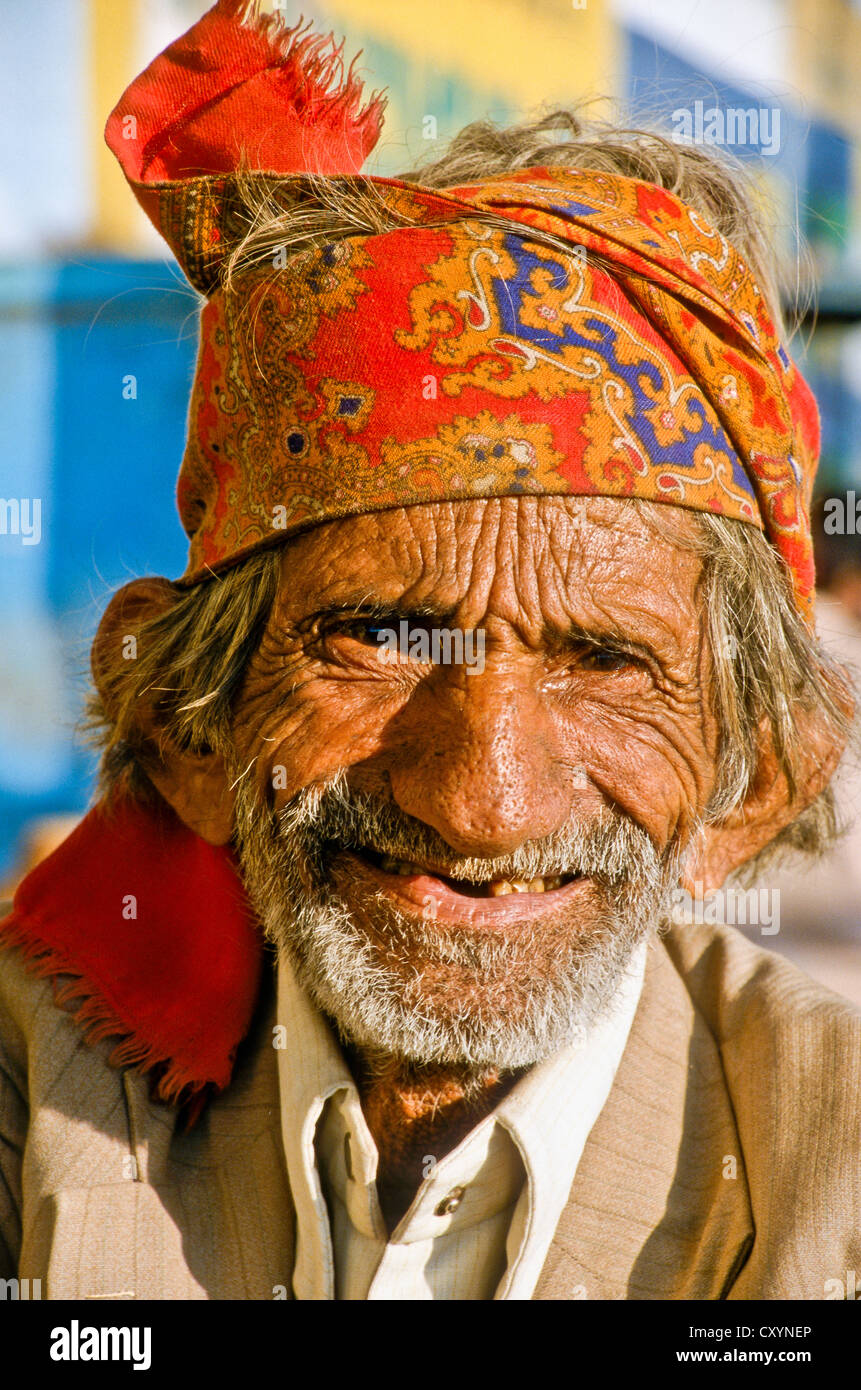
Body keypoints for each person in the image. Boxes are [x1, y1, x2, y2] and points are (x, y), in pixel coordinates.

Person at [0, 0, 858, 1301]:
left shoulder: (831, 1176)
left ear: (758, 777)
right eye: (379, 637)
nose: (481, 798)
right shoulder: (29, 1092)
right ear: (186, 723)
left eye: (607, 662)